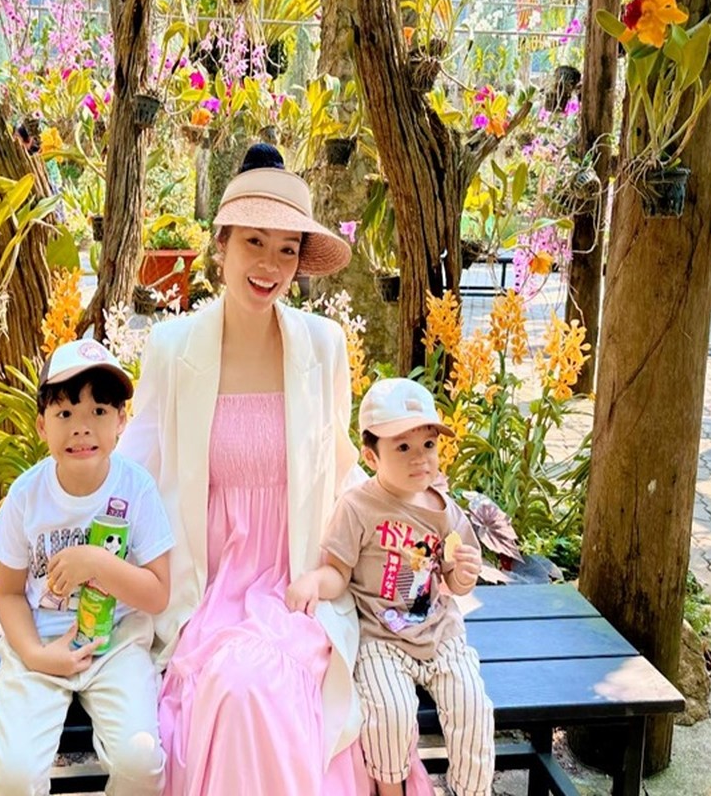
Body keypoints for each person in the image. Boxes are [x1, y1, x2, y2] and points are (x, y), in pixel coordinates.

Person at [117, 143, 370, 795]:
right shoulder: (173, 348)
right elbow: (133, 472)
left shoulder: (323, 346)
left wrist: (414, 523)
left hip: (293, 586)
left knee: (269, 687)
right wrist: (66, 532)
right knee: (232, 685)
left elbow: (341, 467)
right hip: (208, 589)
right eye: (254, 242)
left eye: (286, 249)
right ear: (221, 245)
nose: (269, 265)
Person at [0, 339, 173, 796]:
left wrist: (98, 563)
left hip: (116, 645)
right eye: (65, 413)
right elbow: (7, 592)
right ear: (41, 425)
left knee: (141, 760)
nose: (82, 428)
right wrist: (34, 654)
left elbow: (158, 593)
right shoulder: (27, 495)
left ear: (122, 420)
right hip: (42, 642)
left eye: (99, 411)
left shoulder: (137, 489)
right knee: (12, 775)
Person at [287, 378, 496, 796]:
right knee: (389, 713)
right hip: (382, 638)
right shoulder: (358, 507)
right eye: (402, 447)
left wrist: (463, 574)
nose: (420, 458)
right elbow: (338, 572)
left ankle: (472, 791)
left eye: (428, 444)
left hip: (440, 633)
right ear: (371, 455)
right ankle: (391, 790)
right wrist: (313, 581)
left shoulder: (445, 511)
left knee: (473, 707)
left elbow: (454, 581)